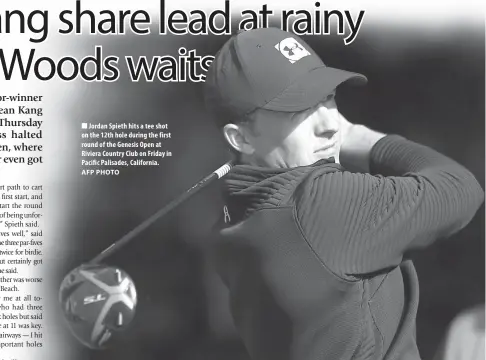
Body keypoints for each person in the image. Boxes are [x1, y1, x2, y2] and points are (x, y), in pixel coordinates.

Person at [203, 27, 484, 360]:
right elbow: (461, 189)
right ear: (241, 139)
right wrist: (364, 139)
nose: (331, 125)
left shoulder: (227, 226)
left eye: (328, 99)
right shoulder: (318, 203)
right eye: (298, 110)